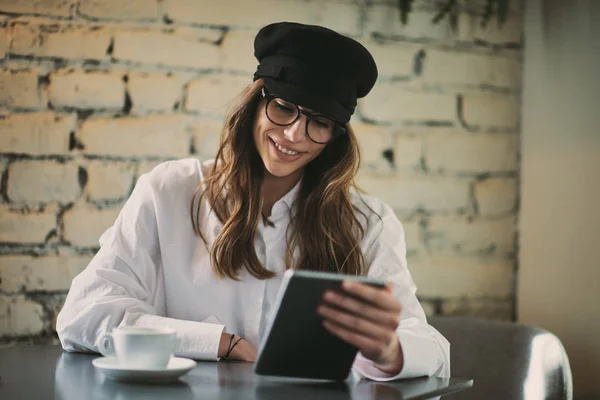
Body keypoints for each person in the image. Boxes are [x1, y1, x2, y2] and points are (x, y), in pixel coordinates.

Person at [56, 21, 450, 381]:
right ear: (255, 104)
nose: (295, 135)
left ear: (335, 137)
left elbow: (432, 349)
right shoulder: (170, 190)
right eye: (283, 108)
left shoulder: (367, 222)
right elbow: (84, 314)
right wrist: (219, 343)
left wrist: (388, 349)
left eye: (319, 122)